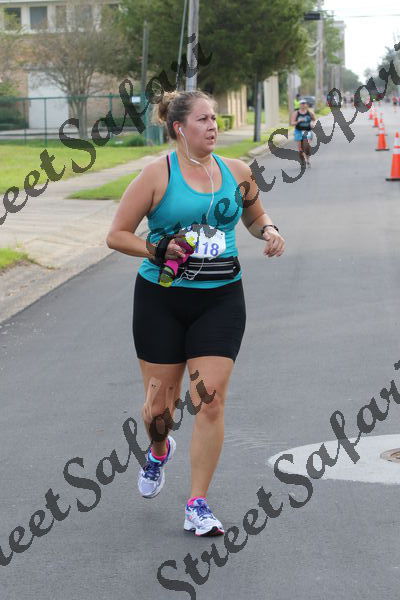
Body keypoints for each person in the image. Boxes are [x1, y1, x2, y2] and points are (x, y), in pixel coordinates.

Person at [106, 90, 285, 537]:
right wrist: (157, 248)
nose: (213, 126)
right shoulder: (156, 175)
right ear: (179, 128)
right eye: (203, 119)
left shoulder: (237, 171)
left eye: (215, 118)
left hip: (220, 299)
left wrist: (269, 229)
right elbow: (117, 235)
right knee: (159, 410)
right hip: (161, 299)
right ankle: (158, 449)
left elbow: (254, 215)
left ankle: (197, 503)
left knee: (211, 400)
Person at [291, 98, 316, 168]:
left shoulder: (310, 112)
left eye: (304, 104)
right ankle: (302, 161)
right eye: (302, 104)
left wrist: (312, 123)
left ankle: (307, 159)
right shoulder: (296, 113)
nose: (303, 105)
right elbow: (292, 123)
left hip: (307, 131)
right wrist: (298, 121)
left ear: (306, 105)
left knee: (307, 146)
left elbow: (314, 120)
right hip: (298, 131)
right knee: (300, 149)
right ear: (299, 105)